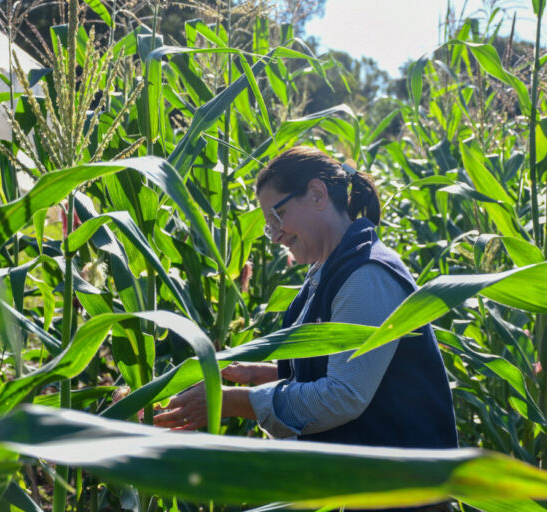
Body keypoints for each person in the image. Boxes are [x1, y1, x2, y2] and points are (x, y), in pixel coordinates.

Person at [153, 147, 457, 508]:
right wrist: (255, 374)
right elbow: (343, 369)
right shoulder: (331, 272)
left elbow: (344, 395)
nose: (276, 235)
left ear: (317, 194)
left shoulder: (366, 276)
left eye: (277, 216)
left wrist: (236, 402)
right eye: (269, 226)